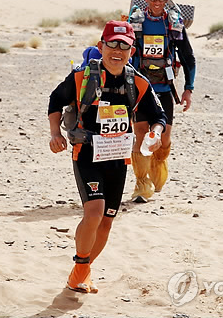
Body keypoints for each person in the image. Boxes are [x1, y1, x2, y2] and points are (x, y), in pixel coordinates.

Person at [48, 20, 167, 293]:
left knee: (107, 221)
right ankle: (79, 269)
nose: (117, 50)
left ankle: (81, 271)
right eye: (112, 43)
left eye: (124, 45)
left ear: (132, 50)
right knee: (94, 212)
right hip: (87, 154)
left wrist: (156, 132)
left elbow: (158, 115)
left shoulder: (137, 82)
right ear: (101, 46)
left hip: (118, 158)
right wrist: (55, 133)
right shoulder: (82, 77)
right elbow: (56, 101)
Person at [129, 0, 196, 203]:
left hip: (164, 89)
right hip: (139, 87)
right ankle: (141, 184)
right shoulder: (135, 22)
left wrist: (189, 89)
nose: (157, 2)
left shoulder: (174, 24)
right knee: (140, 133)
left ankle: (158, 167)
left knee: (163, 137)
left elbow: (188, 58)